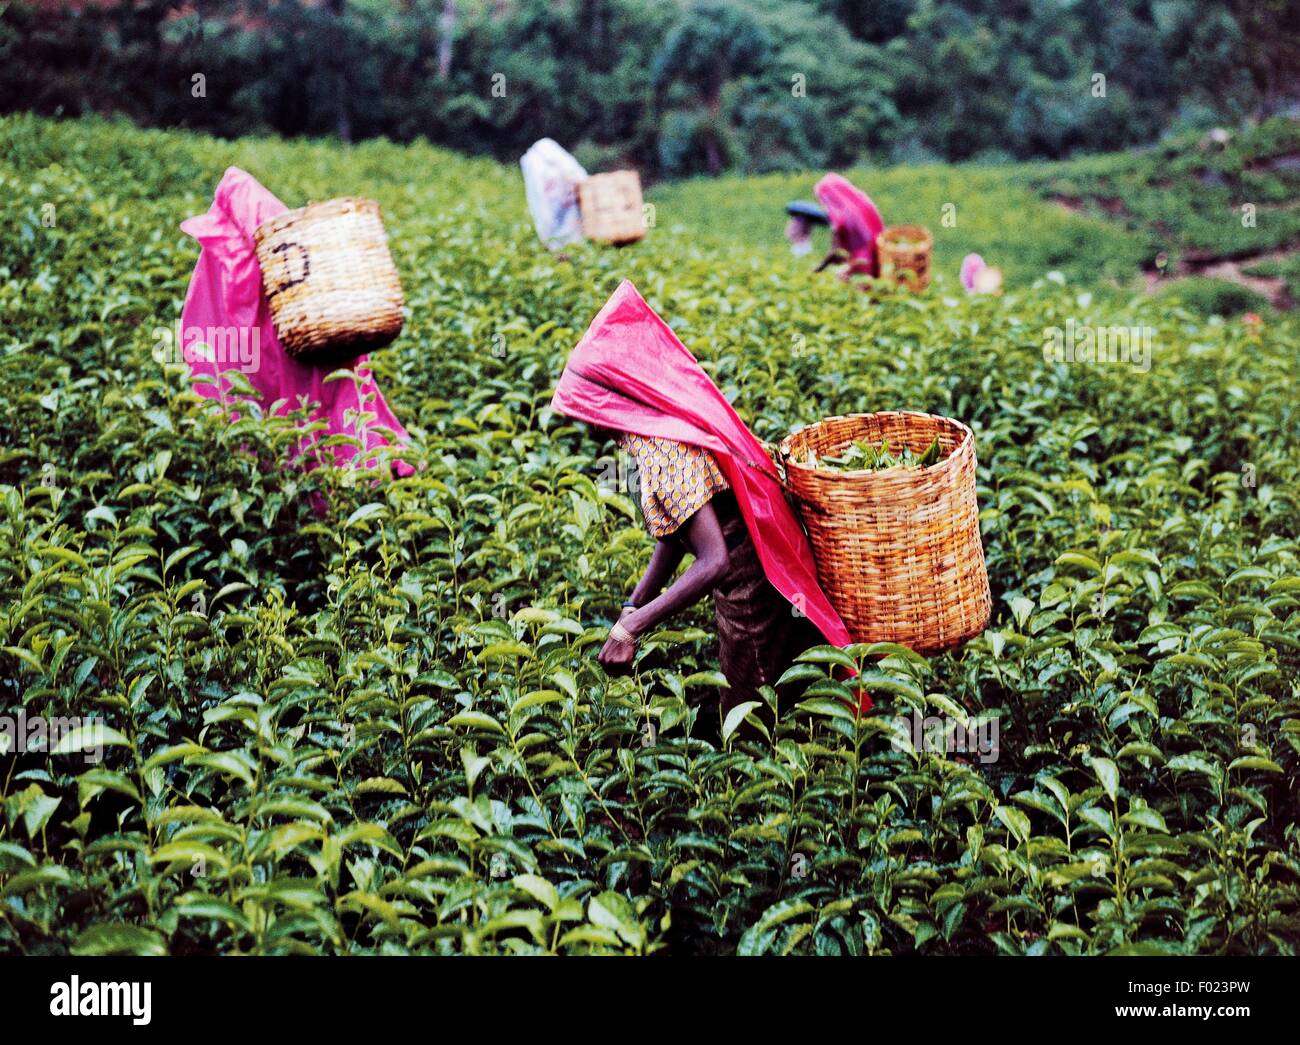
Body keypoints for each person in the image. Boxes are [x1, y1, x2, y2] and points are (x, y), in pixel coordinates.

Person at [551, 280, 868, 733]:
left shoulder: (662, 448)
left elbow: (714, 560)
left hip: (748, 582)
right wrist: (634, 602)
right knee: (768, 692)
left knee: (751, 714)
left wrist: (632, 628)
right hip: (750, 567)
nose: (581, 422)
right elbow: (676, 535)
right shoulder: (653, 433)